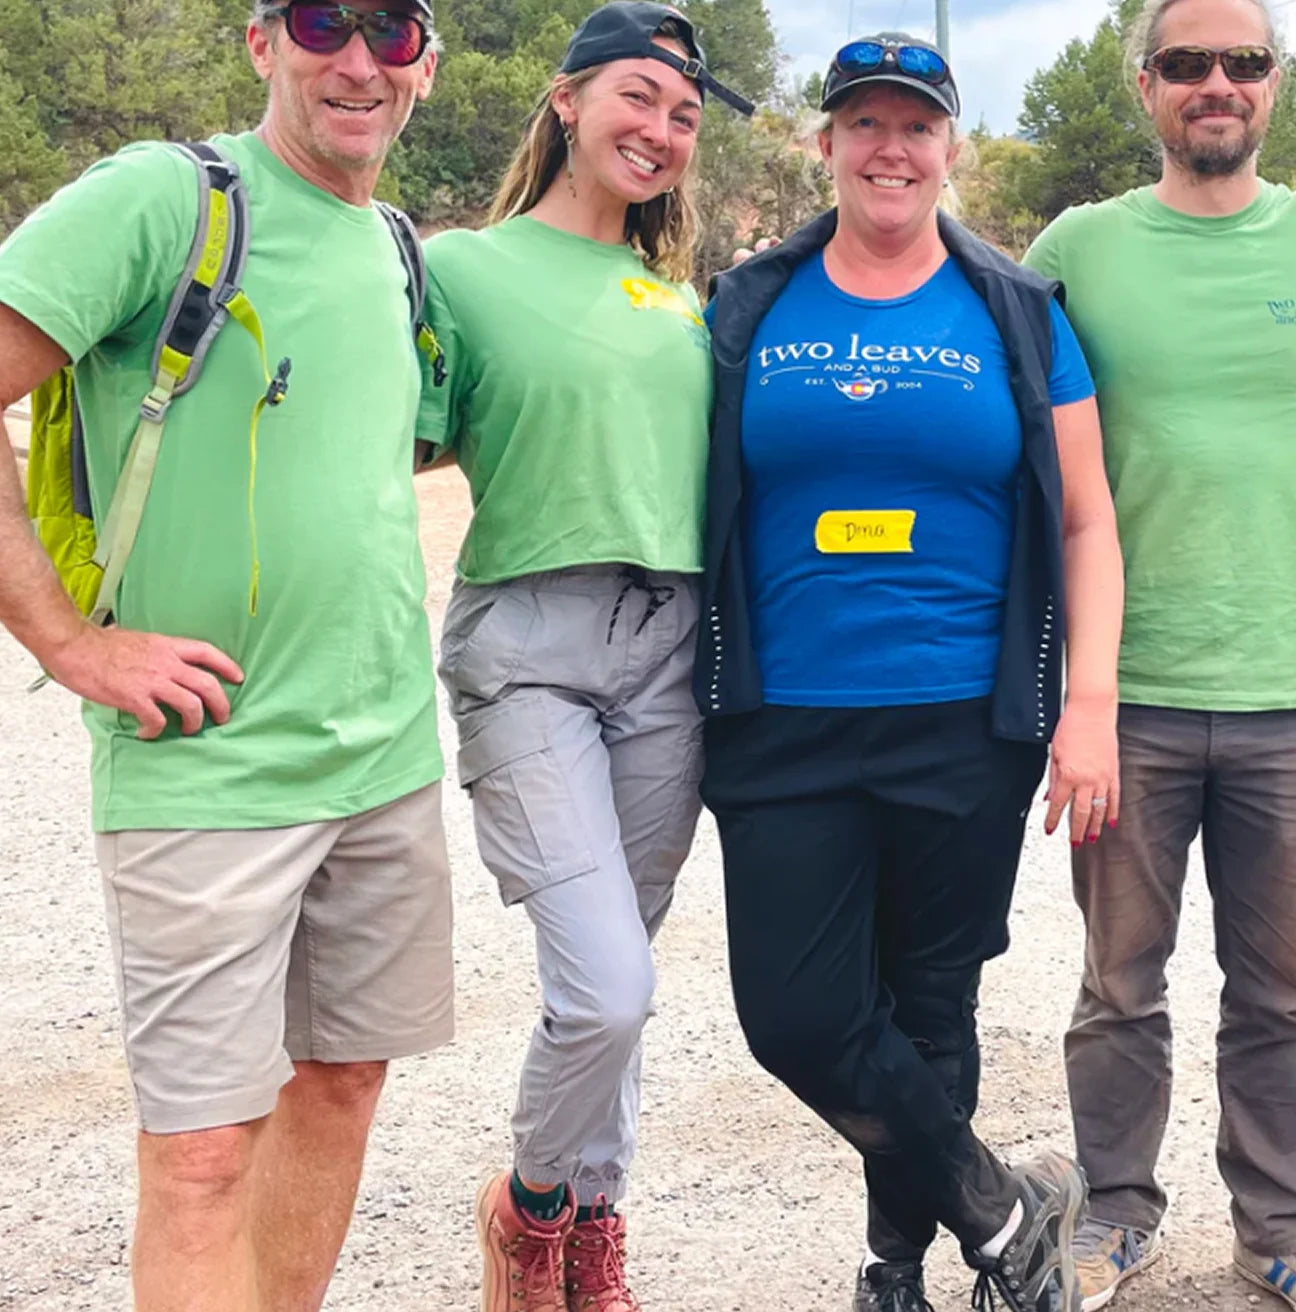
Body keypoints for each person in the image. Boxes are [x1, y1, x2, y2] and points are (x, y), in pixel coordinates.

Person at [0, 2, 450, 1308]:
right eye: (323, 19)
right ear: (262, 42)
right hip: (203, 765)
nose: (358, 59)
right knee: (200, 1154)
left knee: (343, 1084)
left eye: (392, 28)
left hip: (382, 759)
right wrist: (70, 641)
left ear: (424, 59)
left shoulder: (396, 248)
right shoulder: (169, 200)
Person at [697, 34, 1125, 1312]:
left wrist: (1086, 706)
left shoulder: (1018, 313)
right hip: (783, 721)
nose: (891, 147)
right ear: (822, 144)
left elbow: (1089, 520)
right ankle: (1007, 1212)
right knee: (798, 1016)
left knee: (932, 1004)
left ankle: (900, 1271)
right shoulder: (748, 305)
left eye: (917, 124)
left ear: (951, 147)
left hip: (962, 721)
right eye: (863, 123)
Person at [414, 5, 752, 1310]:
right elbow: (390, 438)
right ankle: (532, 1204)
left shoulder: (675, 305)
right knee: (606, 989)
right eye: (637, 97)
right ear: (564, 101)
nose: (661, 130)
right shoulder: (462, 269)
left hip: (669, 653)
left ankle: (592, 1224)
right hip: (529, 647)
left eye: (683, 115)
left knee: (625, 972)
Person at [1023, 0, 1296, 1306]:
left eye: (1242, 62)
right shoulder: (1079, 247)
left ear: (1274, 84)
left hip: (1288, 697)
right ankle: (1115, 1212)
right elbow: (998, 418)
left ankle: (1278, 1226)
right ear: (1145, 87)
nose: (1216, 84)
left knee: (1284, 992)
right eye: (1187, 63)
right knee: (1117, 986)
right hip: (1122, 697)